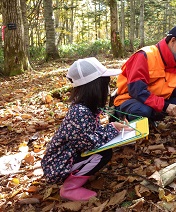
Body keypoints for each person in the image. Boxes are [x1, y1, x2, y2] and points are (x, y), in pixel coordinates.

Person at [41, 57, 131, 201]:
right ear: (95, 87)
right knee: (103, 153)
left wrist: (114, 128)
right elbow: (88, 142)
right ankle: (70, 187)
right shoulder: (79, 112)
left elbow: (89, 134)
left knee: (103, 150)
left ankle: (79, 173)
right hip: (59, 164)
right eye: (105, 85)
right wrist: (112, 129)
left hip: (68, 156)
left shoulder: (86, 109)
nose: (108, 90)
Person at [114, 25, 176, 122]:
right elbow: (137, 91)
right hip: (128, 99)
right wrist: (164, 106)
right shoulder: (145, 55)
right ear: (173, 41)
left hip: (153, 99)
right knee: (142, 111)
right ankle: (126, 118)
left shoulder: (172, 63)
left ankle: (150, 118)